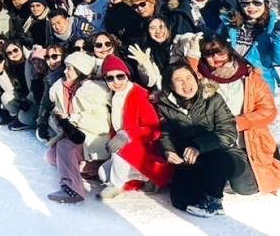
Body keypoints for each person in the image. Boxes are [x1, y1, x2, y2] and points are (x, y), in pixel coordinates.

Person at [197, 37, 280, 196]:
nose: (216, 58)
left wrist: (237, 122)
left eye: (219, 52)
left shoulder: (250, 78)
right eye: (209, 54)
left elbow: (268, 111)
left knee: (245, 188)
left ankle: (262, 166)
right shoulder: (201, 78)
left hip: (246, 141)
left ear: (229, 52)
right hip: (216, 141)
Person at [157, 64, 240, 217]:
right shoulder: (165, 106)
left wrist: (198, 146)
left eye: (189, 78)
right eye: (178, 80)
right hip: (192, 160)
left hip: (224, 154)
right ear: (170, 84)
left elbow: (228, 131)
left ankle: (214, 200)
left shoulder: (213, 98)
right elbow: (165, 133)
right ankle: (207, 186)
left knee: (215, 160)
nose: (186, 84)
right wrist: (168, 150)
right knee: (181, 201)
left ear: (196, 79)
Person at [95, 55, 172, 199]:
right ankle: (143, 178)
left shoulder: (139, 94)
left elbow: (154, 130)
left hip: (142, 148)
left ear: (127, 75)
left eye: (120, 76)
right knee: (102, 173)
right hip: (122, 152)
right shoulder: (115, 95)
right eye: (110, 78)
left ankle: (117, 185)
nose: (116, 82)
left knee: (119, 149)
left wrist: (126, 135)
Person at [45, 51, 111, 204]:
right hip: (77, 137)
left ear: (80, 70)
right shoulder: (65, 88)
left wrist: (72, 120)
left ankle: (72, 188)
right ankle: (90, 168)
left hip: (95, 140)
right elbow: (61, 115)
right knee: (51, 156)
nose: (65, 71)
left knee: (64, 146)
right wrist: (60, 121)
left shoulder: (92, 93)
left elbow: (103, 126)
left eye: (69, 68)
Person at [217, 0, 280, 92]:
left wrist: (279, 35)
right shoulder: (229, 25)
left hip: (259, 82)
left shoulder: (272, 27)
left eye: (257, 2)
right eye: (245, 3)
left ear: (265, 4)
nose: (251, 7)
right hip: (231, 79)